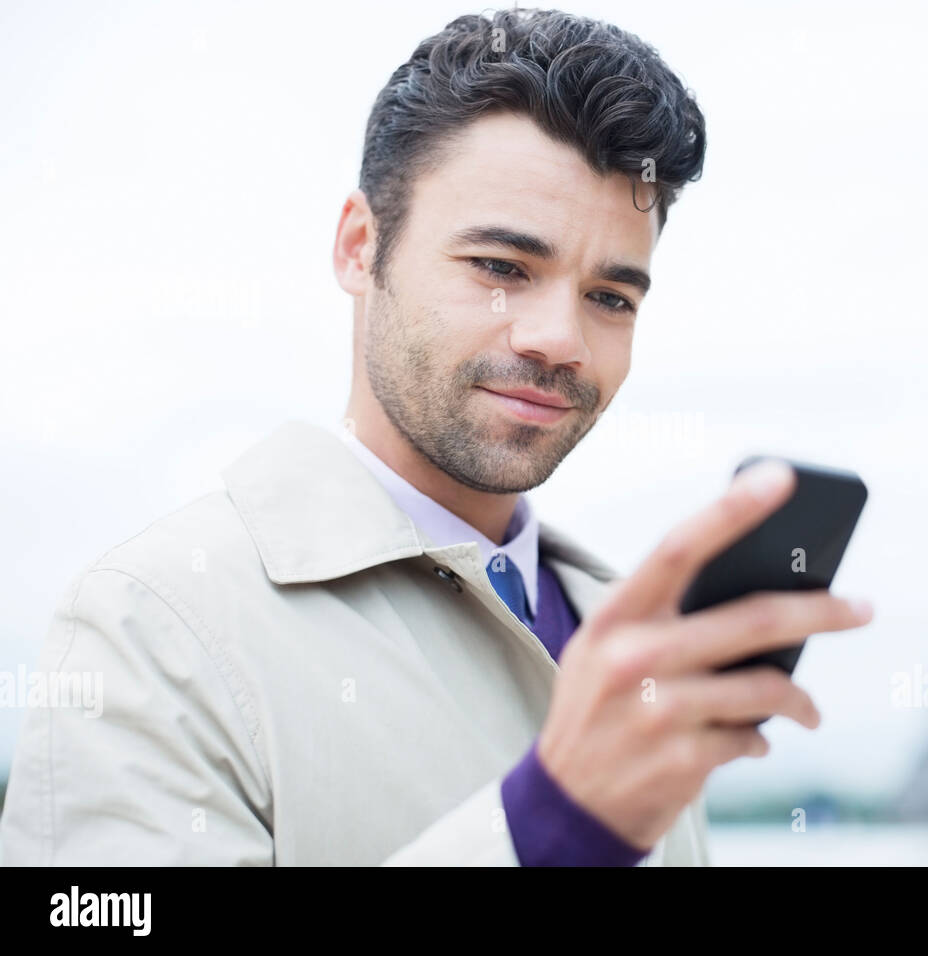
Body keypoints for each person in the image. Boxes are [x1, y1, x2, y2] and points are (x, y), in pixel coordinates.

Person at [0, 8, 873, 866]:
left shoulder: (633, 639)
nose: (558, 340)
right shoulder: (153, 625)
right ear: (358, 247)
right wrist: (550, 827)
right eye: (500, 268)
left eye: (611, 296)